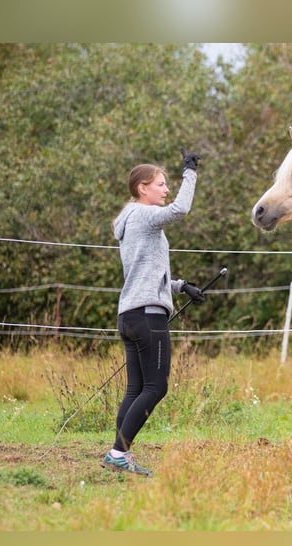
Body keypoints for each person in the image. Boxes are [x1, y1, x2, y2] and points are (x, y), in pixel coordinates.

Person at [101, 149, 204, 477]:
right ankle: (118, 452)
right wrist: (190, 172)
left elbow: (145, 272)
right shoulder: (145, 216)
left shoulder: (131, 220)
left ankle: (120, 454)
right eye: (160, 184)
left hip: (130, 314)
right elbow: (181, 209)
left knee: (136, 389)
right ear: (142, 188)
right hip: (148, 316)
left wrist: (180, 285)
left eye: (167, 184)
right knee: (156, 387)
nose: (166, 189)